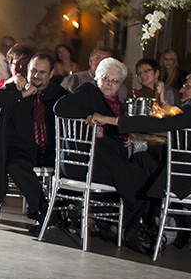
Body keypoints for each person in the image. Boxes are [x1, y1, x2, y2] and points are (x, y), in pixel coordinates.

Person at [53, 58, 154, 252]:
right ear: (97, 78)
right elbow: (60, 107)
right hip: (82, 161)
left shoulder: (115, 103)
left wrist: (124, 138)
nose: (109, 84)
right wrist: (89, 120)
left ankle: (114, 225)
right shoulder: (88, 92)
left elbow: (111, 131)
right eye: (106, 78)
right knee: (141, 180)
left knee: (143, 178)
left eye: (115, 81)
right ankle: (118, 226)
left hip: (100, 159)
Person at [88, 70, 191, 203]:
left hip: (187, 182)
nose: (181, 90)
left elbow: (154, 124)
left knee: (140, 159)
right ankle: (158, 217)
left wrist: (108, 120)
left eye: (187, 86)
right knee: (150, 168)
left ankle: (131, 216)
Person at [0, 53, 67, 233]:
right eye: (33, 71)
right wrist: (23, 94)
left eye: (42, 72)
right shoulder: (17, 88)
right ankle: (45, 211)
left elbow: (78, 110)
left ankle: (62, 214)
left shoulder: (59, 94)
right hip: (22, 150)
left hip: (50, 151)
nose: (36, 75)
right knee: (14, 165)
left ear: (51, 74)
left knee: (70, 166)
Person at [60, 46, 128, 101]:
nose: (100, 62)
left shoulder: (118, 87)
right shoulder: (74, 79)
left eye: (105, 60)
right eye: (97, 58)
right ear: (90, 61)